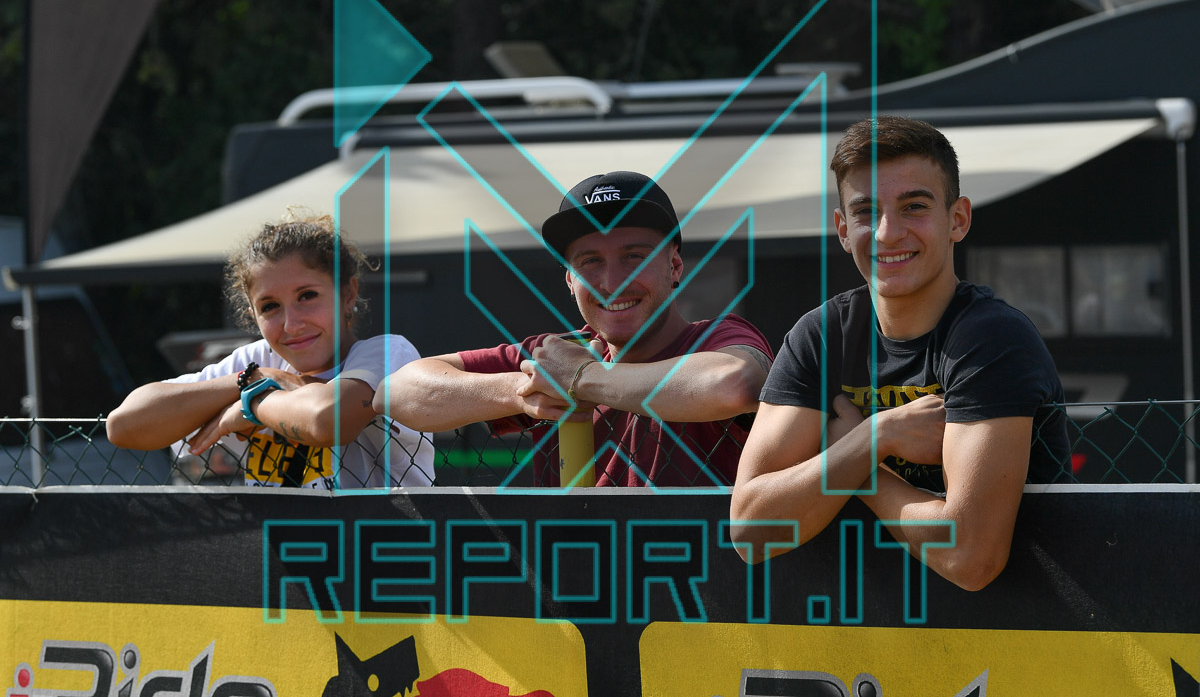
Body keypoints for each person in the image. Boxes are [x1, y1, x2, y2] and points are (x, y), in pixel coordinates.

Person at [730, 117, 1071, 590]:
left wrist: (866, 471)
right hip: (864, 627)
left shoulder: (993, 339)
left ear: (958, 219)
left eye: (914, 207)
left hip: (1022, 622)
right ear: (843, 229)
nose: (888, 232)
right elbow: (750, 532)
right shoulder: (820, 336)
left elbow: (969, 557)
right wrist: (875, 437)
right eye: (866, 211)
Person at [376, 171, 774, 486]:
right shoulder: (557, 356)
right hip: (574, 566)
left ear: (674, 265)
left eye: (634, 256)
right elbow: (395, 393)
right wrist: (523, 390)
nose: (612, 282)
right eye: (589, 262)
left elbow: (734, 383)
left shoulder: (714, 339)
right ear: (569, 279)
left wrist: (582, 378)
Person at [107, 210, 434, 489]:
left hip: (383, 540)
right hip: (280, 544)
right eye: (270, 306)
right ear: (253, 314)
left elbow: (328, 421)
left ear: (348, 294)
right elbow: (123, 425)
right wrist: (254, 380)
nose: (292, 324)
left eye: (307, 296)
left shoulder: (387, 354)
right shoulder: (256, 363)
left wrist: (252, 404)